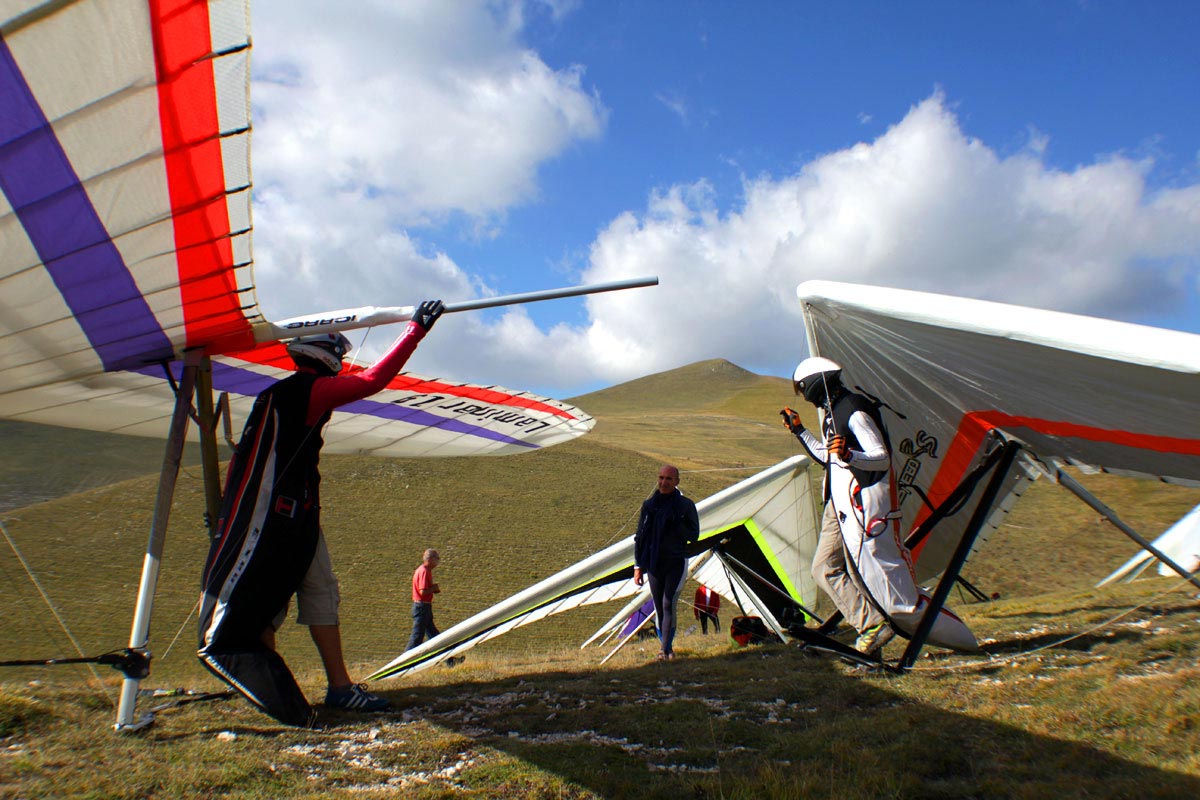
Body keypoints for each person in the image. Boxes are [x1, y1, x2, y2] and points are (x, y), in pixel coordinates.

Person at [199, 300, 445, 723]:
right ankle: (300, 685)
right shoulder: (305, 390)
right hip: (282, 521)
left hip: (283, 519)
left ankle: (317, 689)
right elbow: (372, 381)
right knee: (289, 599)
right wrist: (415, 330)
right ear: (326, 356)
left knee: (295, 596)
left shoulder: (273, 397)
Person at [780, 356, 897, 655]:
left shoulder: (853, 409)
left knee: (832, 569)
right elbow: (828, 456)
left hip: (855, 501)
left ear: (814, 385)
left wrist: (851, 457)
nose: (804, 397)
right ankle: (872, 636)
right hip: (840, 500)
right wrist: (799, 430)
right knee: (843, 571)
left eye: (803, 389)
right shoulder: (833, 414)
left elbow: (882, 457)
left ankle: (872, 627)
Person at [633, 465, 700, 660]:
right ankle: (666, 648)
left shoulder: (685, 506)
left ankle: (664, 649)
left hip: (675, 561)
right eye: (661, 478)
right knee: (658, 605)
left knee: (668, 603)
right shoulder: (649, 505)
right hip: (654, 563)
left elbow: (694, 535)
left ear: (677, 482)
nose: (664, 482)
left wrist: (676, 523)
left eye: (669, 479)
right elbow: (640, 537)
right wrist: (638, 567)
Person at [406, 548, 442, 652]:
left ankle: (450, 660)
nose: (438, 560)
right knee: (416, 638)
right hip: (422, 608)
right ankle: (403, 663)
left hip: (424, 607)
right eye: (437, 558)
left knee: (434, 636)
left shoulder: (424, 570)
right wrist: (434, 588)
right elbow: (422, 591)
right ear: (429, 559)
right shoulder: (424, 571)